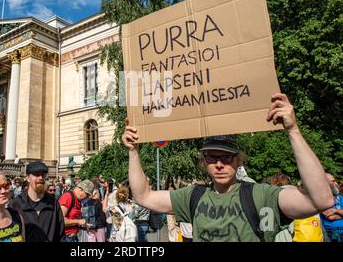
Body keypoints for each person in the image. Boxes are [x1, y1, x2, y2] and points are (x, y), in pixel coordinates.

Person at [122, 93, 334, 242]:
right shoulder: (192, 196)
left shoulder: (261, 195)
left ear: (239, 160)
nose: (220, 164)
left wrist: (293, 130)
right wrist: (133, 151)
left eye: (227, 157)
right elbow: (143, 197)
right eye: (212, 157)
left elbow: (322, 200)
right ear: (204, 162)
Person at [10, 161, 64, 242]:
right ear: (28, 178)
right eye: (36, 174)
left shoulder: (53, 203)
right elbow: (12, 236)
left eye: (43, 174)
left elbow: (60, 234)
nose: (41, 178)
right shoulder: (16, 204)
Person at [320, 173, 343, 242]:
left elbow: (334, 215)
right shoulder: (322, 199)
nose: (336, 183)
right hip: (331, 233)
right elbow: (330, 217)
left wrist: (335, 211)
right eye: (333, 181)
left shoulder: (340, 197)